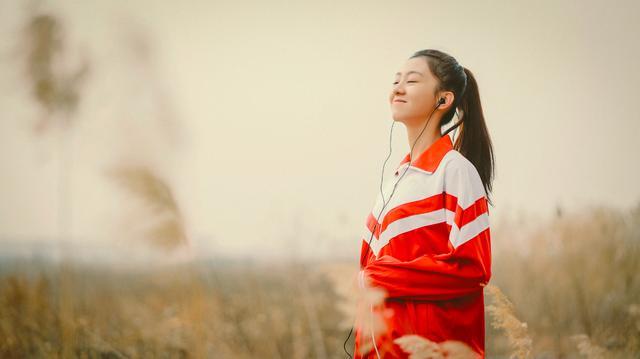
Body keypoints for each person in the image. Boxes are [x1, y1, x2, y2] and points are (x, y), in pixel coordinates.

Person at [351, 49, 495, 358]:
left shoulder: (454, 170)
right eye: (396, 80)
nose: (398, 88)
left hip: (431, 348)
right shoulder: (396, 180)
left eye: (412, 81)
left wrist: (380, 277)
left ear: (443, 100)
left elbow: (472, 269)